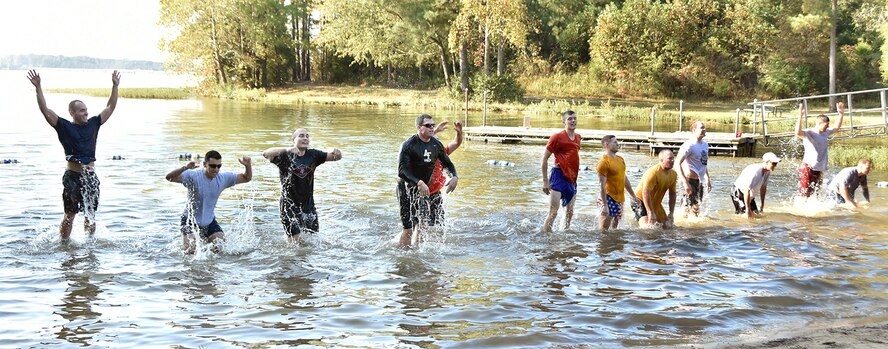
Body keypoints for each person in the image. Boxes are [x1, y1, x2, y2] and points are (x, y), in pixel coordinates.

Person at [27, 69, 120, 240]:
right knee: (70, 214)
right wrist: (38, 87)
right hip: (72, 175)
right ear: (73, 113)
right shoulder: (63, 126)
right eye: (82, 110)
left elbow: (110, 107)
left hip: (90, 176)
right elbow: (44, 109)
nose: (86, 113)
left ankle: (90, 245)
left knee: (90, 215)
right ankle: (64, 245)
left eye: (86, 110)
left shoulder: (94, 124)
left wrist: (115, 86)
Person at [262, 128, 342, 243]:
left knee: (312, 241)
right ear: (293, 139)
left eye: (307, 136)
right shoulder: (285, 155)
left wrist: (336, 151)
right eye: (301, 135)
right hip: (288, 205)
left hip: (308, 205)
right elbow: (265, 153)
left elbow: (336, 157)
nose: (305, 138)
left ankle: (306, 261)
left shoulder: (314, 155)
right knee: (297, 243)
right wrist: (287, 149)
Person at [166, 151, 252, 253]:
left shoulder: (223, 178)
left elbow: (247, 178)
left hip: (209, 222)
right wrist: (185, 168)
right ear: (205, 164)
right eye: (212, 166)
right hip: (189, 221)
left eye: (219, 166)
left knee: (220, 248)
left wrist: (248, 166)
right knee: (191, 250)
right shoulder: (192, 176)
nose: (216, 169)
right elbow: (169, 177)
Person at [397, 114, 459, 247]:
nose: (432, 127)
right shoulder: (408, 145)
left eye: (433, 125)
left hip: (424, 190)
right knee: (408, 228)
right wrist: (419, 182)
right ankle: (403, 256)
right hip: (406, 189)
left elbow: (448, 163)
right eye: (428, 125)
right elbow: (402, 171)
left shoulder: (436, 145)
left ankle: (418, 256)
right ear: (419, 128)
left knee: (423, 225)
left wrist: (454, 176)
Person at [541, 110, 581, 233]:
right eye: (570, 119)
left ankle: (566, 235)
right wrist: (545, 182)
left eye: (574, 118)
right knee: (553, 212)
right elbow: (544, 159)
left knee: (570, 212)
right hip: (558, 176)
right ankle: (545, 237)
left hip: (572, 179)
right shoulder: (557, 137)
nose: (573, 120)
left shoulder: (578, 137)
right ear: (564, 122)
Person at [795, 102, 845, 197]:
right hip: (808, 167)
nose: (827, 128)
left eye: (828, 126)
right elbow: (797, 133)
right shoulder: (809, 132)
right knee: (805, 193)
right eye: (826, 125)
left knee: (816, 193)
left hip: (819, 168)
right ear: (819, 123)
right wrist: (800, 116)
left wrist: (841, 114)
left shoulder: (825, 132)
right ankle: (801, 208)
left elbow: (836, 128)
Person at [596, 135, 639, 230]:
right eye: (615, 142)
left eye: (617, 142)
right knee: (603, 230)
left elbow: (624, 179)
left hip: (619, 198)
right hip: (608, 197)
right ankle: (603, 245)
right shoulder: (603, 162)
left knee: (615, 229)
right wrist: (605, 205)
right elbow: (601, 185)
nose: (617, 144)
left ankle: (613, 245)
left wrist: (633, 196)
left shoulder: (620, 159)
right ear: (606, 144)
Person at [427, 121, 464, 225]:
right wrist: (435, 131)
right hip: (421, 193)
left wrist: (459, 133)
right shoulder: (421, 153)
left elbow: (456, 143)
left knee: (439, 225)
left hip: (435, 193)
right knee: (420, 225)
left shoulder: (442, 153)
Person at [632, 149, 678, 228]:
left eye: (673, 158)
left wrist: (671, 213)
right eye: (670, 158)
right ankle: (640, 219)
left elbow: (672, 194)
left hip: (655, 201)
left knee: (667, 225)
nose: (673, 160)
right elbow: (645, 192)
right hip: (640, 199)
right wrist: (650, 212)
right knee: (647, 228)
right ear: (661, 160)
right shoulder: (653, 172)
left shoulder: (673, 174)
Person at [676, 120, 711, 217]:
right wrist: (685, 183)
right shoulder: (689, 145)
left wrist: (708, 178)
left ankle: (695, 231)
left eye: (704, 127)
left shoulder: (705, 145)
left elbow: (704, 162)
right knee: (686, 210)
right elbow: (677, 163)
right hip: (689, 180)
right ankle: (683, 230)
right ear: (694, 130)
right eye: (701, 128)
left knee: (696, 209)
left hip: (699, 181)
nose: (704, 129)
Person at [730, 152, 781, 219]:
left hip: (748, 194)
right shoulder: (755, 172)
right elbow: (746, 190)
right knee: (746, 216)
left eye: (776, 163)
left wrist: (762, 206)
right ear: (766, 162)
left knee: (756, 215)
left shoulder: (767, 171)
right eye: (773, 163)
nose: (775, 165)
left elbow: (763, 188)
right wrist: (748, 210)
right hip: (738, 192)